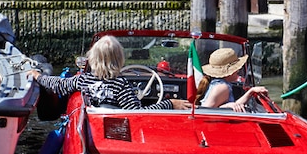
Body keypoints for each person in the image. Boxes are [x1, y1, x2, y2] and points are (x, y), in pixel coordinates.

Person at [28, 35, 191, 110]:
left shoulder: (83, 80)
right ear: (120, 59)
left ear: (92, 58)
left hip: (93, 126)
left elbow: (58, 84)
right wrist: (170, 104)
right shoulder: (121, 85)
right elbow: (137, 114)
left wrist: (38, 76)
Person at [198, 48, 270, 112]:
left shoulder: (221, 84)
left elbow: (235, 105)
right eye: (236, 68)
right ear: (228, 72)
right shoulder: (222, 87)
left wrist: (251, 92)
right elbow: (206, 111)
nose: (238, 70)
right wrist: (225, 107)